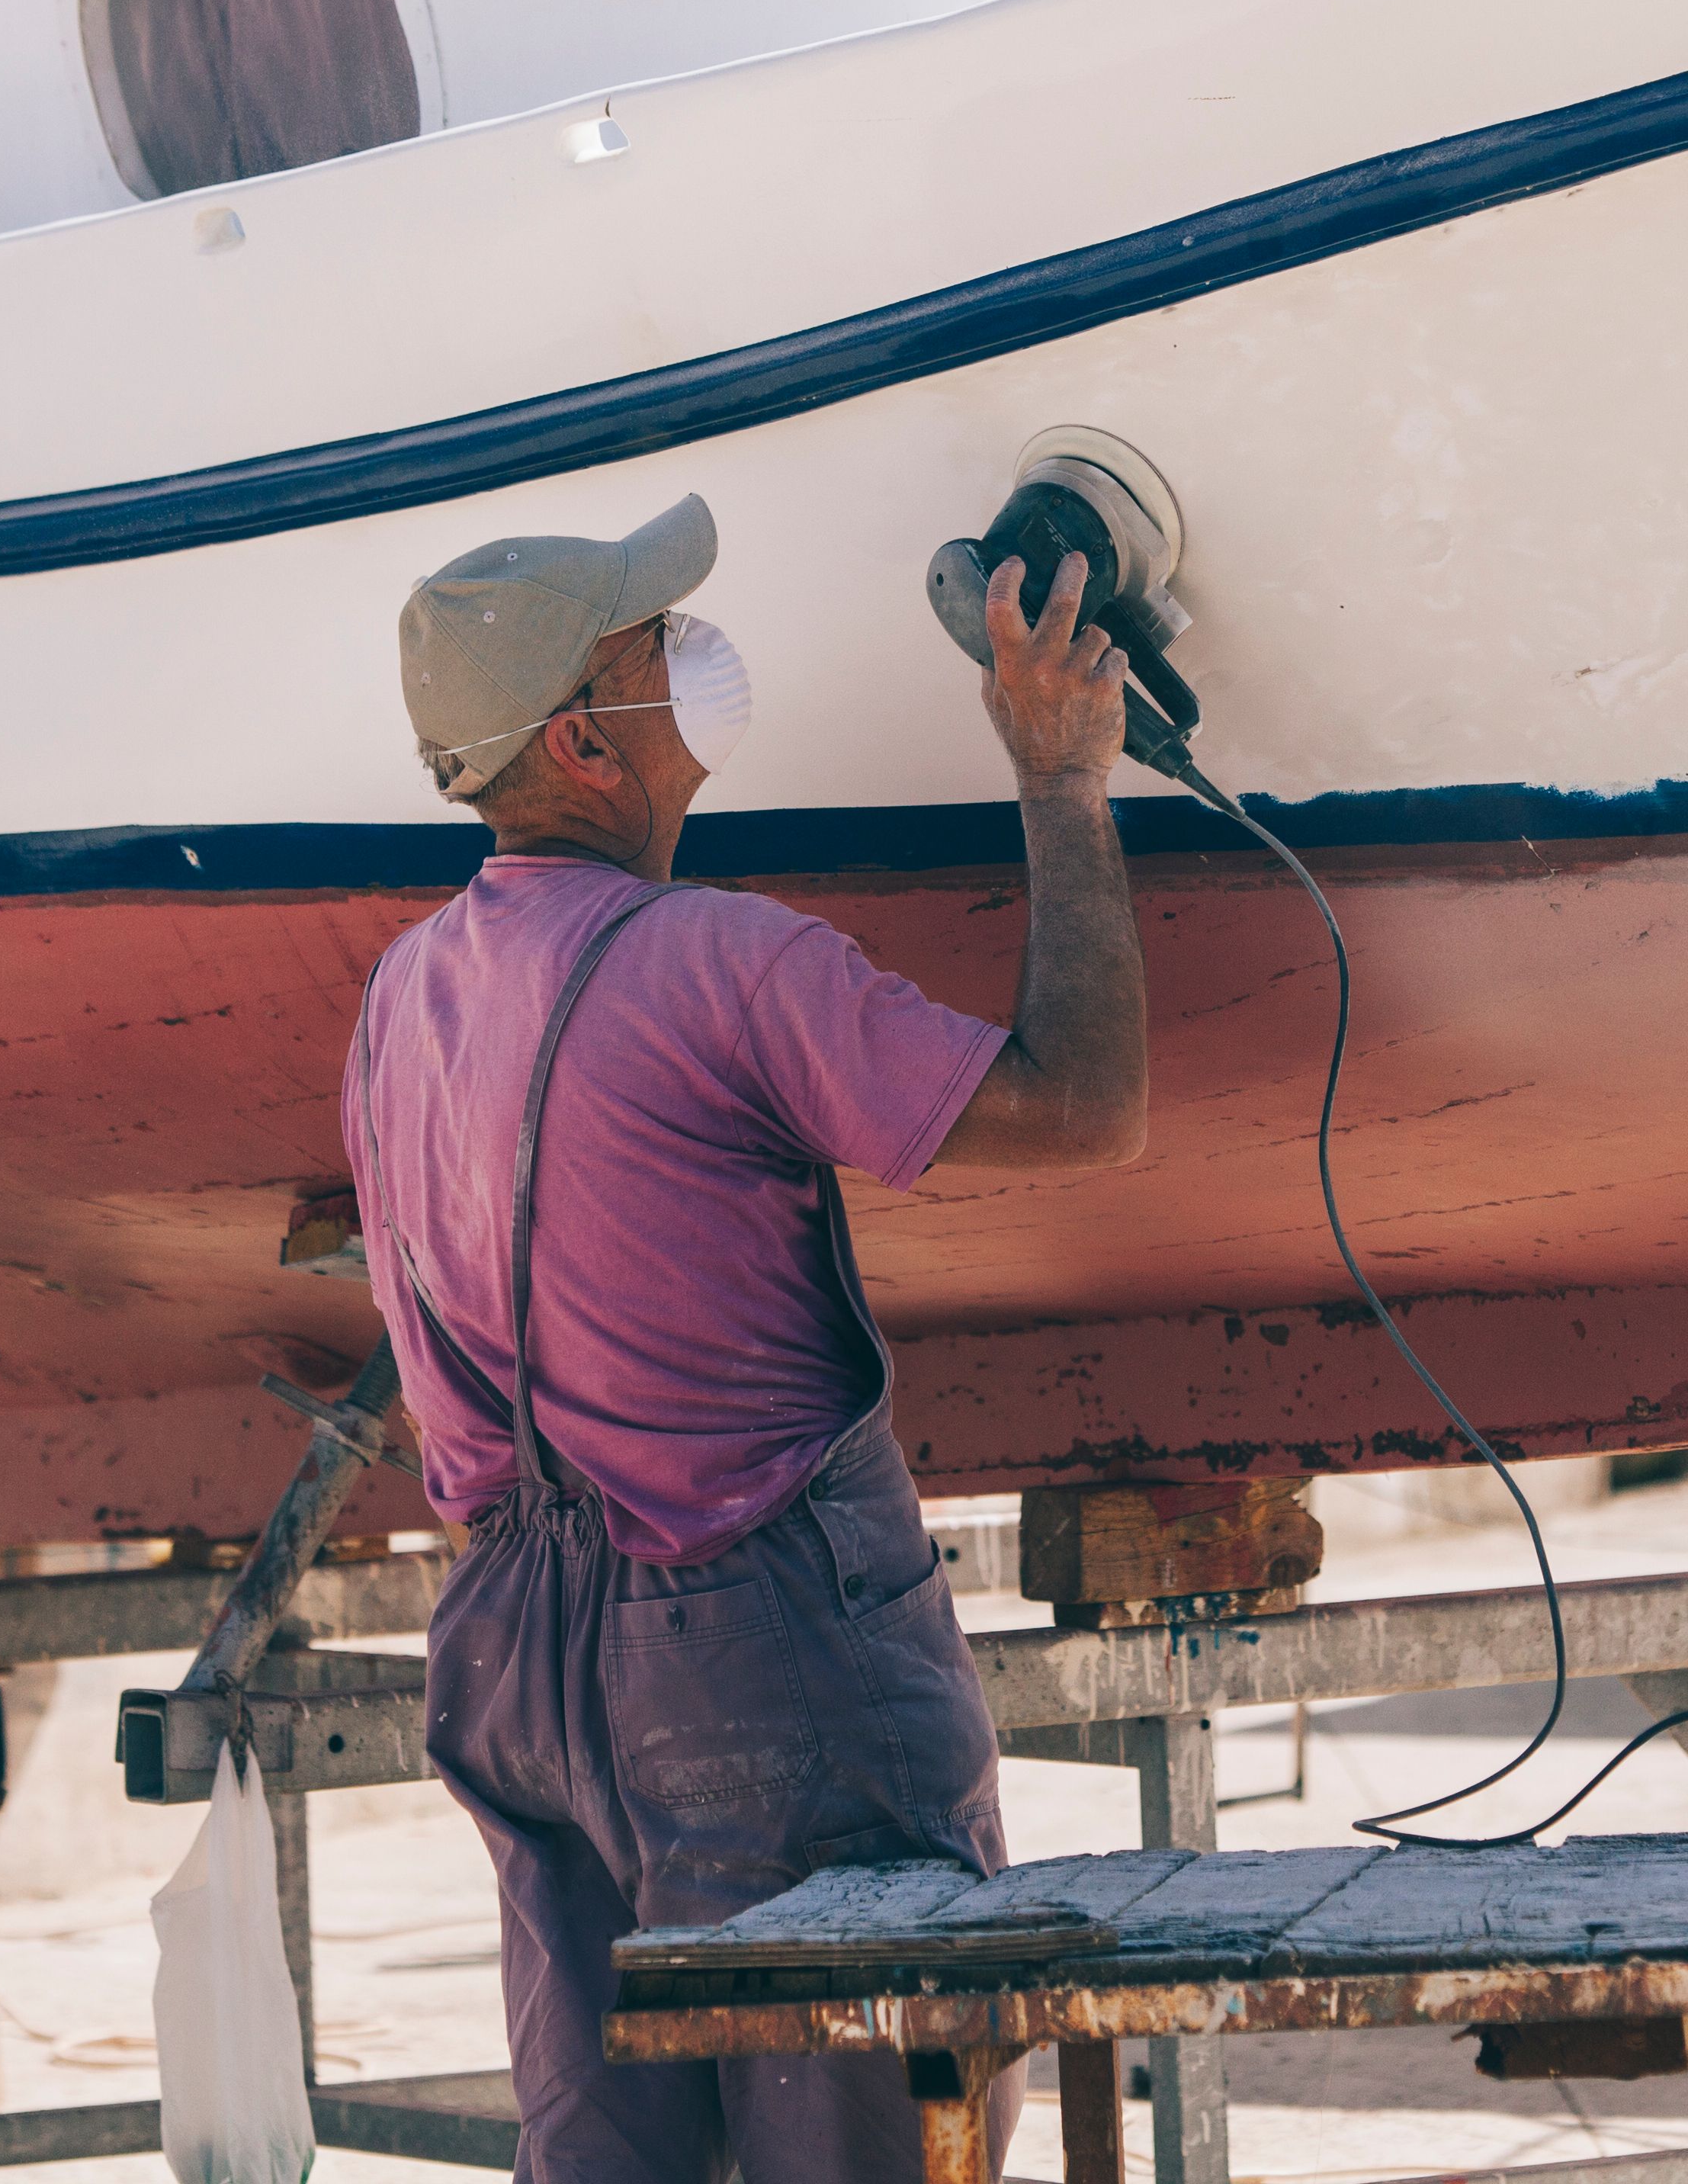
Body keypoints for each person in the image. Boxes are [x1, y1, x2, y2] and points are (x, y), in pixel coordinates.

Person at [342, 490, 1149, 2184]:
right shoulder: (717, 963)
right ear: (586, 738)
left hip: (515, 1652)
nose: (692, 669)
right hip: (760, 1651)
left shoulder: (402, 994)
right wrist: (1064, 778)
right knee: (868, 2134)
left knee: (612, 2157)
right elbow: (1077, 1111)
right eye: (657, 653)